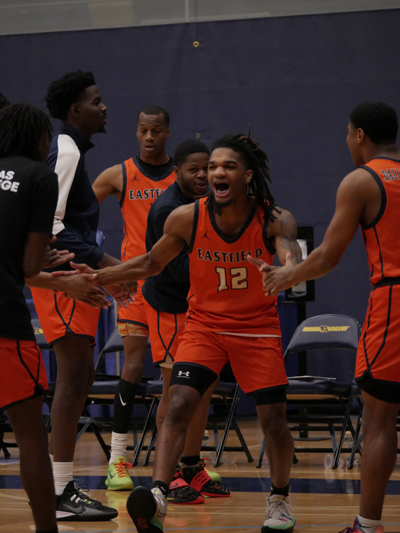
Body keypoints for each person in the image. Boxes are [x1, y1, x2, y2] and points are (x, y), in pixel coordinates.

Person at [71, 133, 302, 533]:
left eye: (227, 166)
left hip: (255, 329)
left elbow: (291, 253)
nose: (216, 172)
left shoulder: (273, 217)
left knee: (275, 424)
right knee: (177, 404)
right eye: (212, 166)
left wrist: (286, 270)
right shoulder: (187, 217)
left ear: (247, 176)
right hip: (205, 326)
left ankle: (279, 500)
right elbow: (149, 262)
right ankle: (158, 496)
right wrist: (101, 275)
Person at [255, 101, 400, 533]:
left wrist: (286, 275)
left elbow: (327, 257)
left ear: (359, 135)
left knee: (379, 420)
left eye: (347, 134)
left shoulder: (362, 180)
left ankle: (367, 526)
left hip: (394, 299)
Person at [30, 70, 124, 521]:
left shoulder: (72, 150)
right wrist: (106, 268)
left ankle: (62, 486)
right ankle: (60, 490)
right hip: (65, 276)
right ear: (75, 110)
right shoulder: (65, 150)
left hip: (76, 271)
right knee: (71, 379)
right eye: (96, 100)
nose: (103, 107)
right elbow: (51, 224)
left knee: (82, 376)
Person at [92, 105, 176, 490]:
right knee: (132, 365)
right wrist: (95, 255)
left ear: (167, 133)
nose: (148, 137)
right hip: (133, 285)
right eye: (143, 129)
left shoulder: (183, 176)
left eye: (155, 130)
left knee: (173, 375)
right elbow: (77, 212)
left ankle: (176, 461)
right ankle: (118, 459)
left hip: (173, 286)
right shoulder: (119, 174)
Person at [0, 103, 59, 533]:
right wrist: (45, 258)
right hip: (4, 323)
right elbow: (30, 266)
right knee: (30, 437)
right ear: (39, 139)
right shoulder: (40, 177)